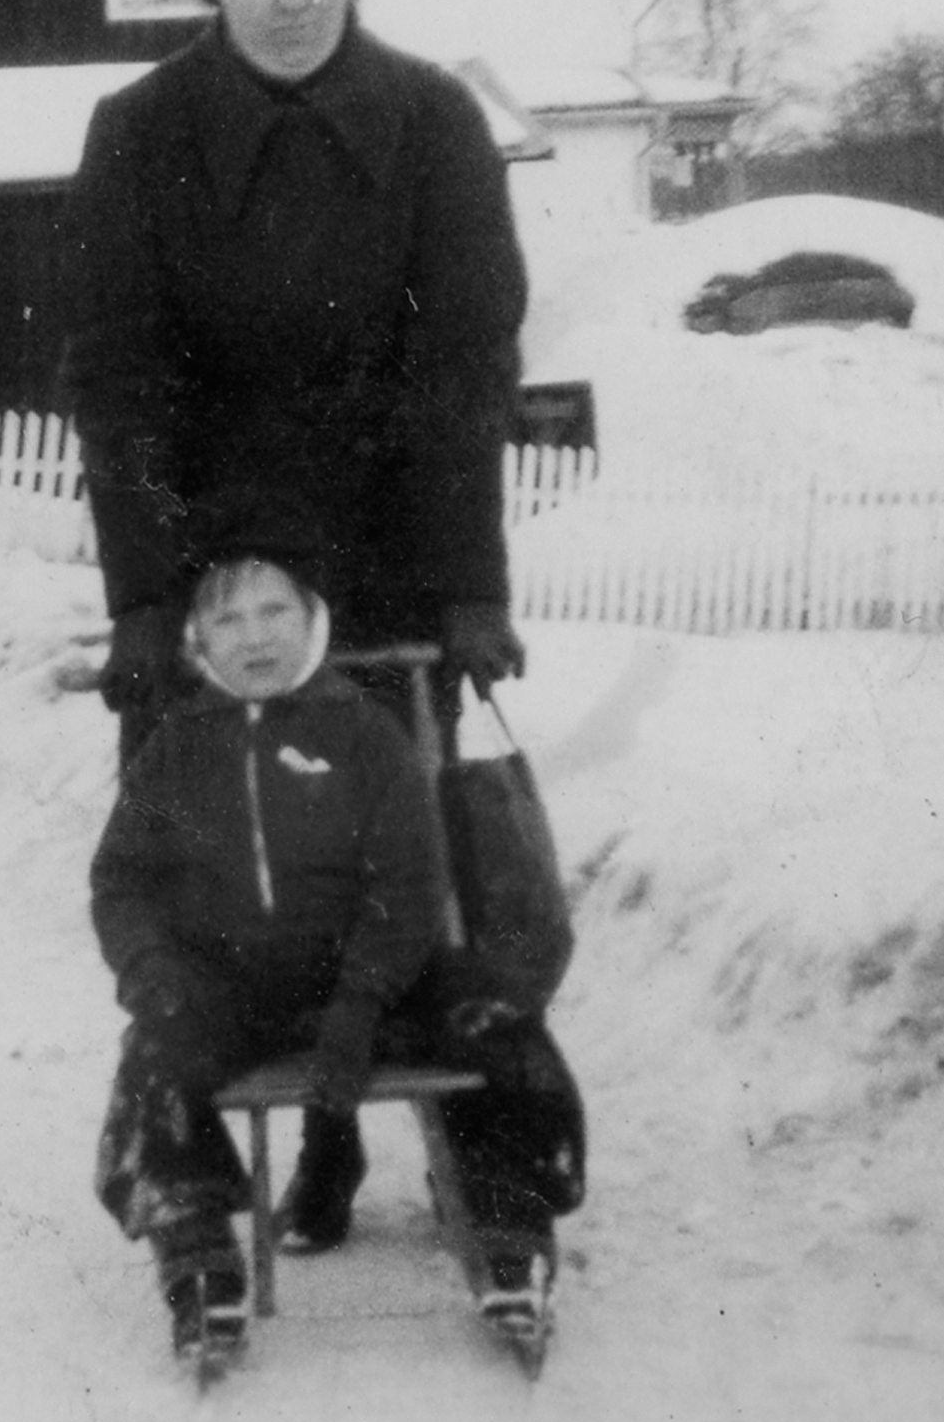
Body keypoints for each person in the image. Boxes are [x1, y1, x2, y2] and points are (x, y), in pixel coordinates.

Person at [60, 0, 534, 1250]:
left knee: (397, 868)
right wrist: (148, 603)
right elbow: (118, 381)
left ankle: (385, 1142)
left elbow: (468, 365)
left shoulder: (434, 121)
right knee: (212, 886)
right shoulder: (138, 133)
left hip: (384, 566)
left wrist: (468, 585)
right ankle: (193, 1175)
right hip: (221, 588)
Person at [88, 503, 585, 1358]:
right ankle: (197, 1257)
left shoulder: (363, 733)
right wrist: (150, 968)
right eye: (227, 619)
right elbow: (122, 880)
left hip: (375, 987)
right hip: (234, 993)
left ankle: (511, 1231)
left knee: (500, 1020)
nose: (254, 637)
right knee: (152, 1061)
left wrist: (360, 1000)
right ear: (198, 638)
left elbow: (408, 881)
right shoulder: (175, 749)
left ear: (311, 616)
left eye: (274, 611)